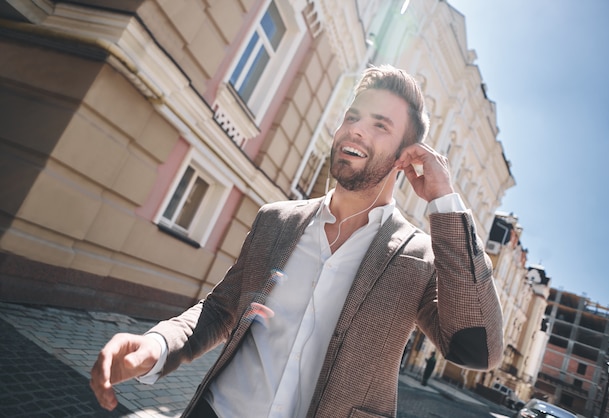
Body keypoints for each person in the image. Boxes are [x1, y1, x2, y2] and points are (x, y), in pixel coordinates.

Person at [90, 65, 504, 418]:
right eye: (353, 116)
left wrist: (446, 203)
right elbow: (220, 309)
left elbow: (477, 350)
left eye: (380, 124)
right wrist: (156, 345)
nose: (356, 130)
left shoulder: (420, 257)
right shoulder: (277, 220)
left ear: (405, 155)